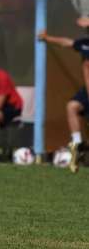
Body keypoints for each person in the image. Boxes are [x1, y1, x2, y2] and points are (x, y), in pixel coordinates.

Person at [39, 17, 89, 172]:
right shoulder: (85, 43)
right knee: (72, 106)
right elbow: (66, 42)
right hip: (87, 90)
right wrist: (47, 38)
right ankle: (77, 145)